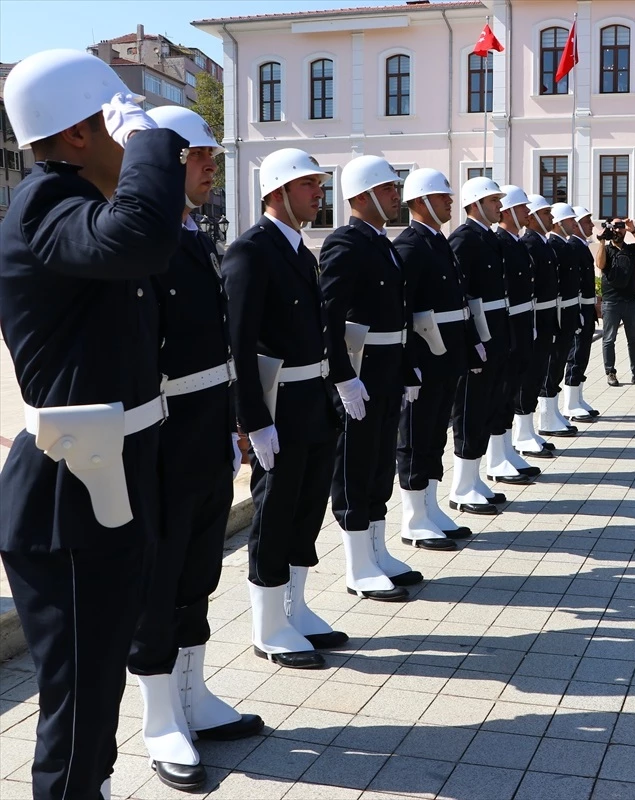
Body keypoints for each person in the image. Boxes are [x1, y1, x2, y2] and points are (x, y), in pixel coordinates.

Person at [0, 49, 186, 800]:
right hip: (68, 505)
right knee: (77, 708)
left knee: (96, 688)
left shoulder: (76, 206)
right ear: (79, 134)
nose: (133, 136)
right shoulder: (46, 205)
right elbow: (141, 234)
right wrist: (149, 144)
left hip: (103, 487)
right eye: (117, 120)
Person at [126, 106, 263, 791]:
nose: (214, 166)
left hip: (205, 433)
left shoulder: (193, 236)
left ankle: (194, 696)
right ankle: (159, 719)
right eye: (202, 155)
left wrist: (236, 421)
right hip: (163, 438)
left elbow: (220, 346)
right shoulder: (147, 247)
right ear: (167, 162)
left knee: (198, 572)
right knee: (160, 579)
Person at [224, 149, 346, 669]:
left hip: (312, 401)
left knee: (306, 508)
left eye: (319, 184)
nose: (318, 193)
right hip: (278, 408)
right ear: (276, 191)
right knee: (274, 512)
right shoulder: (251, 251)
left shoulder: (299, 251)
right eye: (308, 185)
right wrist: (251, 420)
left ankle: (295, 607)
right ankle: (268, 623)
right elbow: (238, 344)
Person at [317, 156, 422, 601]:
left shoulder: (382, 242)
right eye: (388, 189)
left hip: (385, 371)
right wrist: (343, 378)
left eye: (396, 188)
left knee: (379, 464)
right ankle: (357, 564)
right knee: (355, 467)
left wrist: (406, 367)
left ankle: (378, 552)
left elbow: (398, 317)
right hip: (360, 375)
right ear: (360, 196)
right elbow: (329, 317)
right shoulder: (346, 242)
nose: (396, 195)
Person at [392, 168, 481, 549]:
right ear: (421, 201)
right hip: (425, 357)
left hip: (446, 355)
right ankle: (413, 516)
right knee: (415, 435)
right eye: (442, 196)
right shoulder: (410, 246)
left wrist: (470, 343)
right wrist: (408, 362)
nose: (449, 201)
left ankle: (429, 506)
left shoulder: (438, 242)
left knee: (433, 436)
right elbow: (402, 311)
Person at [448, 176, 515, 515]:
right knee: (470, 410)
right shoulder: (463, 239)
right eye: (493, 202)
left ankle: (474, 479)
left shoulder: (486, 238)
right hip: (479, 336)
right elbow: (462, 295)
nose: (499, 207)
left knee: (487, 407)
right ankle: (461, 485)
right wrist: (471, 341)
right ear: (475, 204)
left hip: (496, 332)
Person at [485, 185, 543, 482]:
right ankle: (496, 458)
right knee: (501, 393)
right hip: (506, 327)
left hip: (520, 323)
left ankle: (507, 451)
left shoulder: (515, 242)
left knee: (510, 392)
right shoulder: (499, 242)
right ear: (507, 211)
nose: (526, 214)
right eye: (522, 208)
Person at [513, 194, 561, 459]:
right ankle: (521, 433)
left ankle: (527, 429)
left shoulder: (539, 243)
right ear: (531, 218)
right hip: (532, 317)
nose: (550, 218)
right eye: (545, 214)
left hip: (543, 317)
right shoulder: (529, 243)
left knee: (537, 373)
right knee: (529, 377)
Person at [541, 203, 584, 433]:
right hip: (557, 312)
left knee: (557, 365)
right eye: (570, 221)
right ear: (559, 222)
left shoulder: (561, 245)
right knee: (552, 366)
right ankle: (546, 418)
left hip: (566, 310)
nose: (574, 224)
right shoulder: (554, 245)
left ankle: (553, 411)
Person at [596, 216, 635, 388]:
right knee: (609, 339)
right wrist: (602, 242)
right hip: (611, 302)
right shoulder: (607, 249)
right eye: (615, 227)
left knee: (634, 339)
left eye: (621, 227)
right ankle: (610, 372)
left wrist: (633, 229)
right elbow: (600, 264)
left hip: (631, 302)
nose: (618, 230)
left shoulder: (632, 249)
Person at [564, 206, 602, 412]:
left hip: (586, 308)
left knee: (583, 354)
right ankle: (570, 403)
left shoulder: (581, 245)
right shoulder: (572, 246)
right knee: (576, 355)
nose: (591, 225)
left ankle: (577, 397)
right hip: (578, 308)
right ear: (576, 224)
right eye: (587, 221)